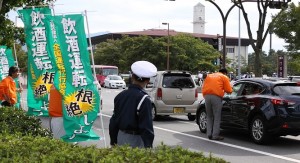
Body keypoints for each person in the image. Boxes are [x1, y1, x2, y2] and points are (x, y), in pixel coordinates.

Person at [109, 61, 157, 148]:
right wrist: (149, 146)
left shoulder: (120, 96)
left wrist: (113, 141)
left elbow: (113, 121)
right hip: (136, 140)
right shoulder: (144, 99)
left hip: (120, 137)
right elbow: (146, 127)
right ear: (148, 80)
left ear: (132, 77)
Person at [202, 68, 232, 141]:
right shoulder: (224, 77)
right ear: (225, 73)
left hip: (206, 96)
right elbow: (229, 90)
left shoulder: (209, 76)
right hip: (216, 96)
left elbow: (203, 86)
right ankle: (215, 135)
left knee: (209, 116)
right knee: (217, 116)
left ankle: (209, 134)